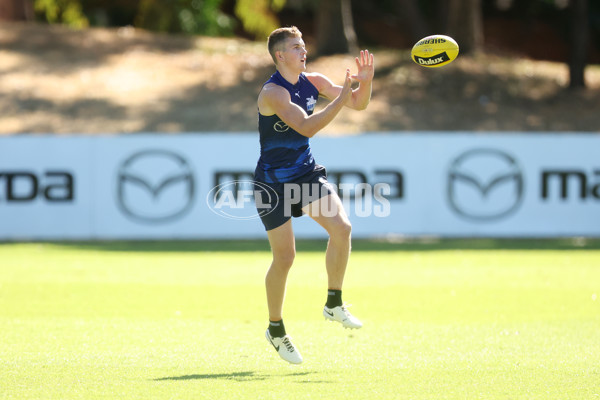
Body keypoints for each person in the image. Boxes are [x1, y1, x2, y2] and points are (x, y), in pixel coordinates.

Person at [254, 26, 374, 364]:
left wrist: (365, 81)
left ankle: (333, 303)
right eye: (295, 47)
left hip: (305, 174)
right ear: (280, 55)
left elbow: (358, 104)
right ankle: (275, 329)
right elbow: (307, 126)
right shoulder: (273, 93)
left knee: (342, 228)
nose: (303, 51)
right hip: (272, 183)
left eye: (303, 45)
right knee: (285, 258)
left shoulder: (315, 80)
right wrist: (340, 97)